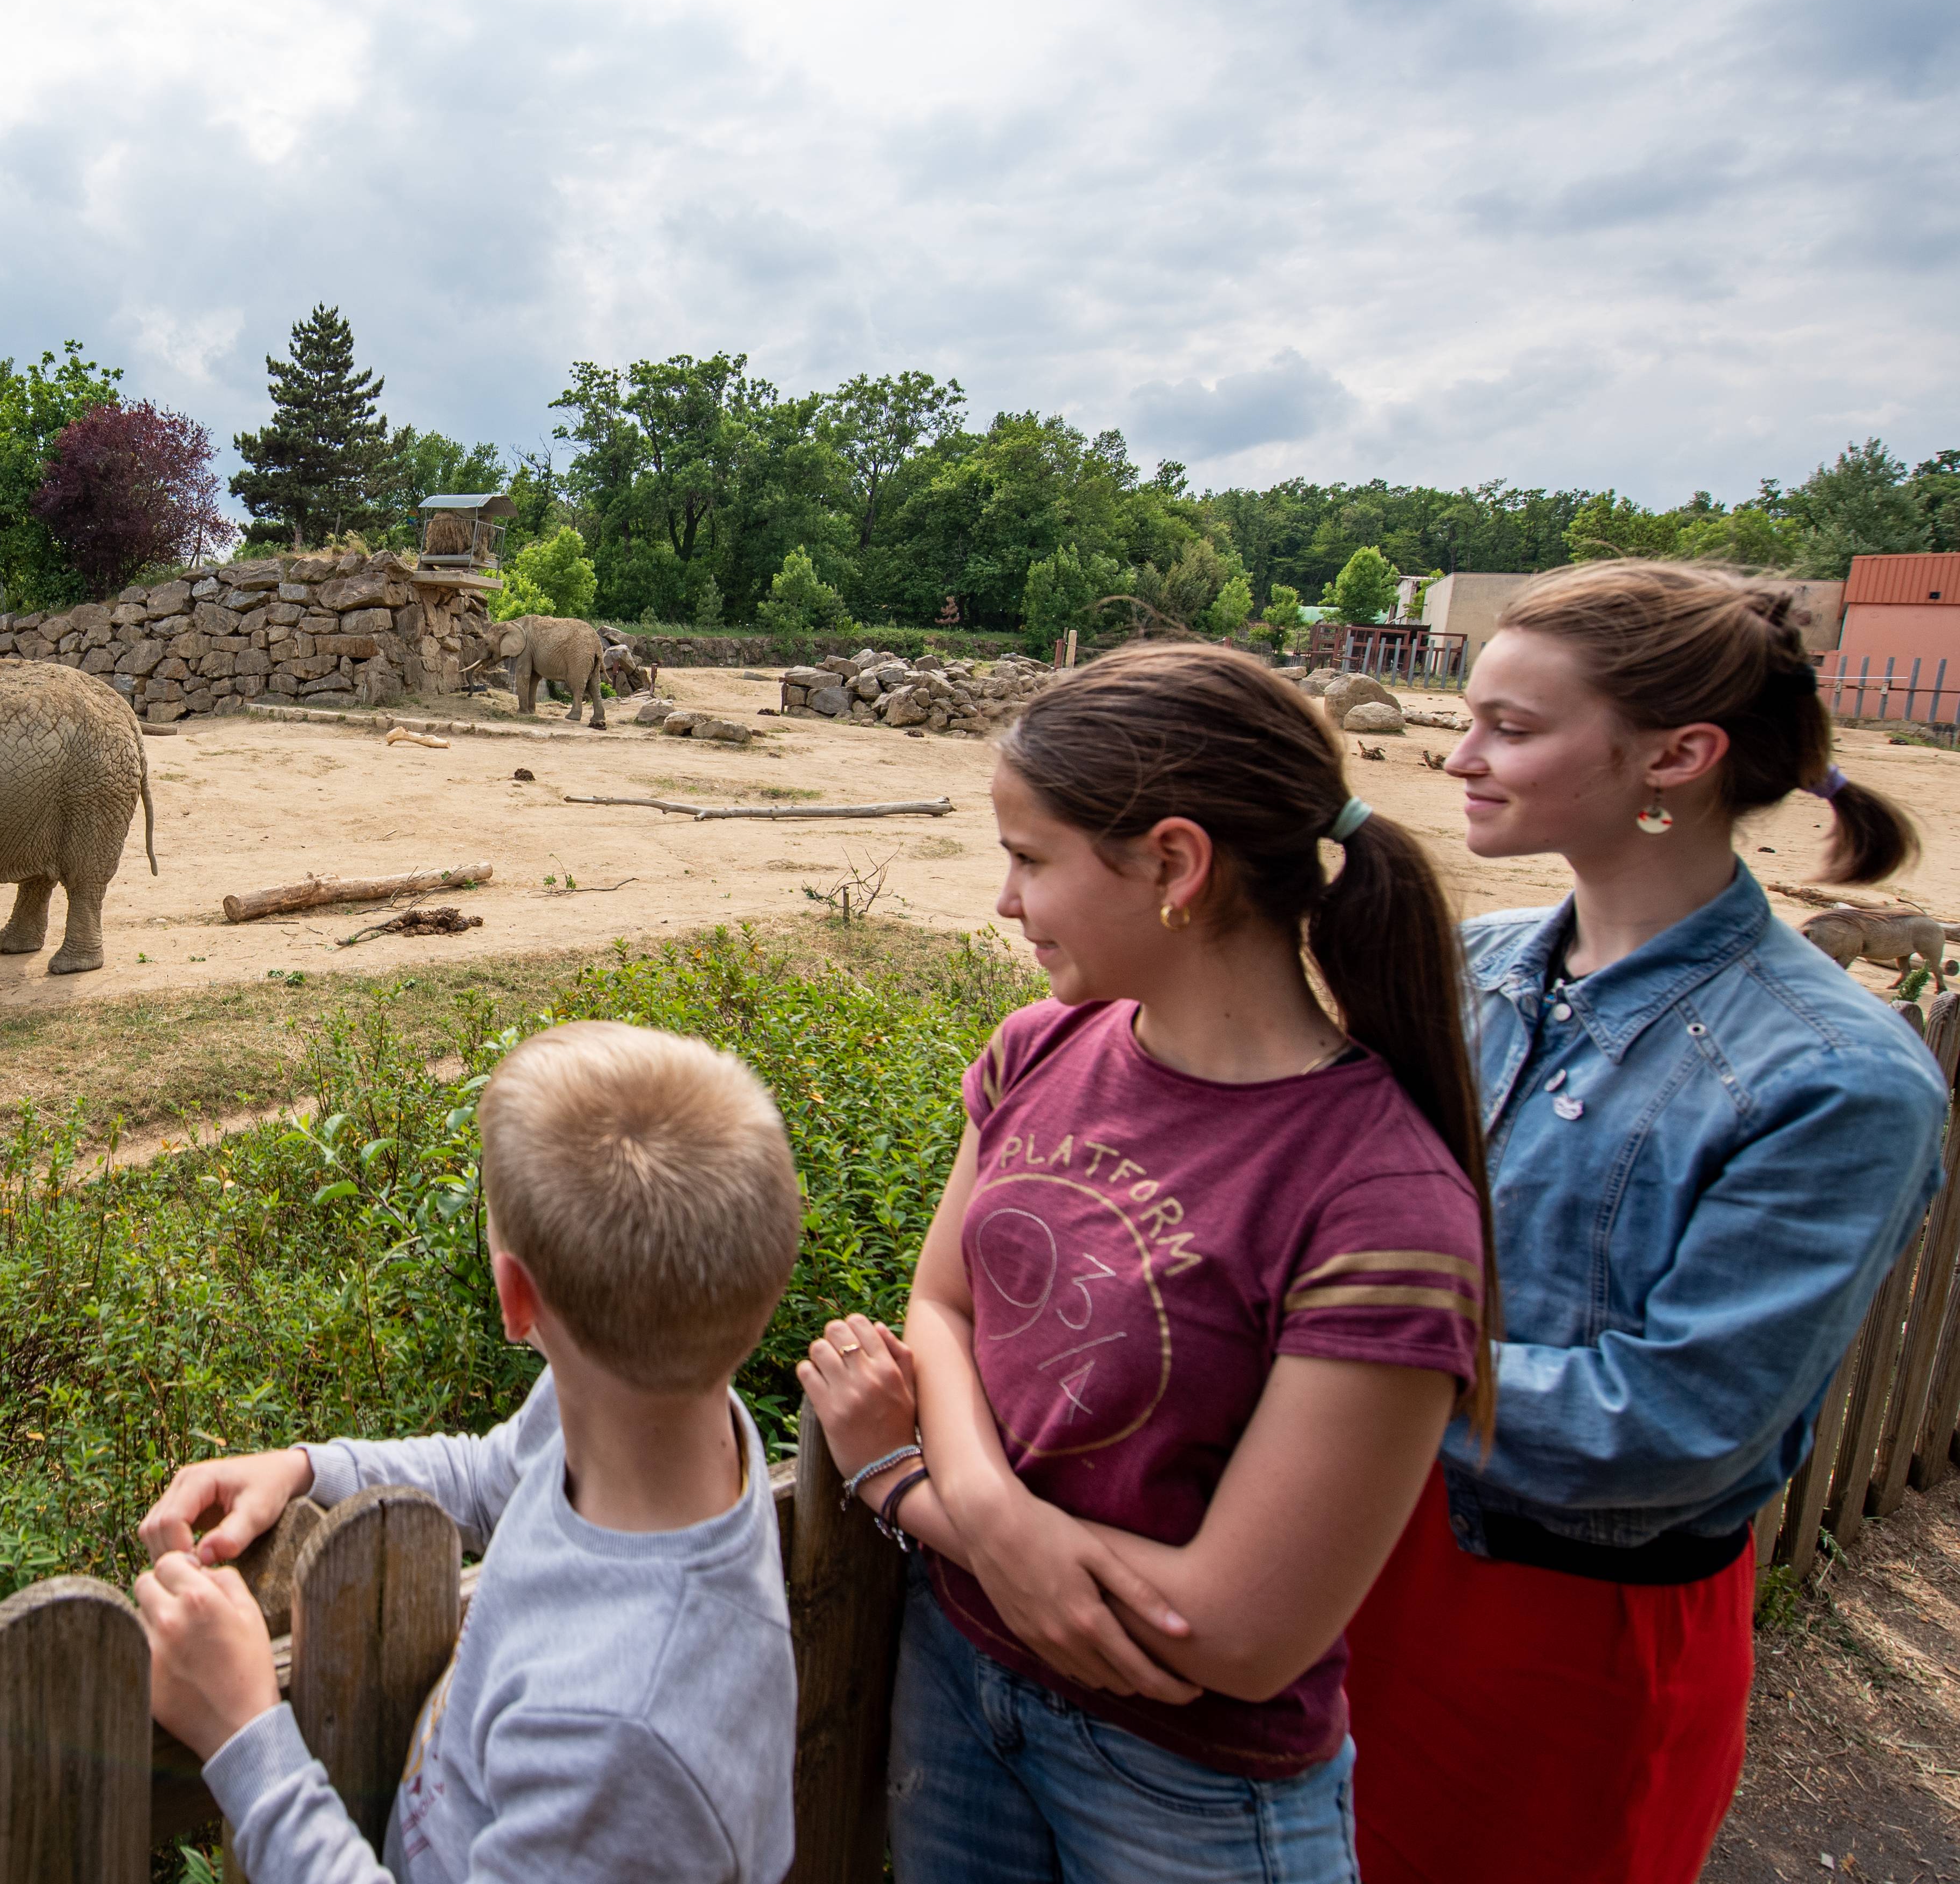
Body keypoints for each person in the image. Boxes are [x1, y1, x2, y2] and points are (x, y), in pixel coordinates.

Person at [801, 641, 1495, 1883]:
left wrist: (912, 1495)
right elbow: (944, 1300)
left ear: (1174, 865)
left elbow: (1231, 1635)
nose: (1003, 901)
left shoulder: (1381, 1206)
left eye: (1027, 858)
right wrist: (998, 1520)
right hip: (961, 1686)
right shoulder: (1038, 1046)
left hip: (1188, 1791)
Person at [1345, 562, 1948, 1884]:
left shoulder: (1833, 1078)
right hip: (1348, 1563)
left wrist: (1326, 1373)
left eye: (1511, 724)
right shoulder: (1478, 966)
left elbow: (1668, 1425)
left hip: (1565, 1641)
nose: (1456, 753)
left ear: (1675, 756)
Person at [130, 1019, 805, 1884]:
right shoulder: (646, 1415)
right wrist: (311, 1467)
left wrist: (247, 1738)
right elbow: (494, 1475)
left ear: (515, 1300)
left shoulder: (625, 1737)